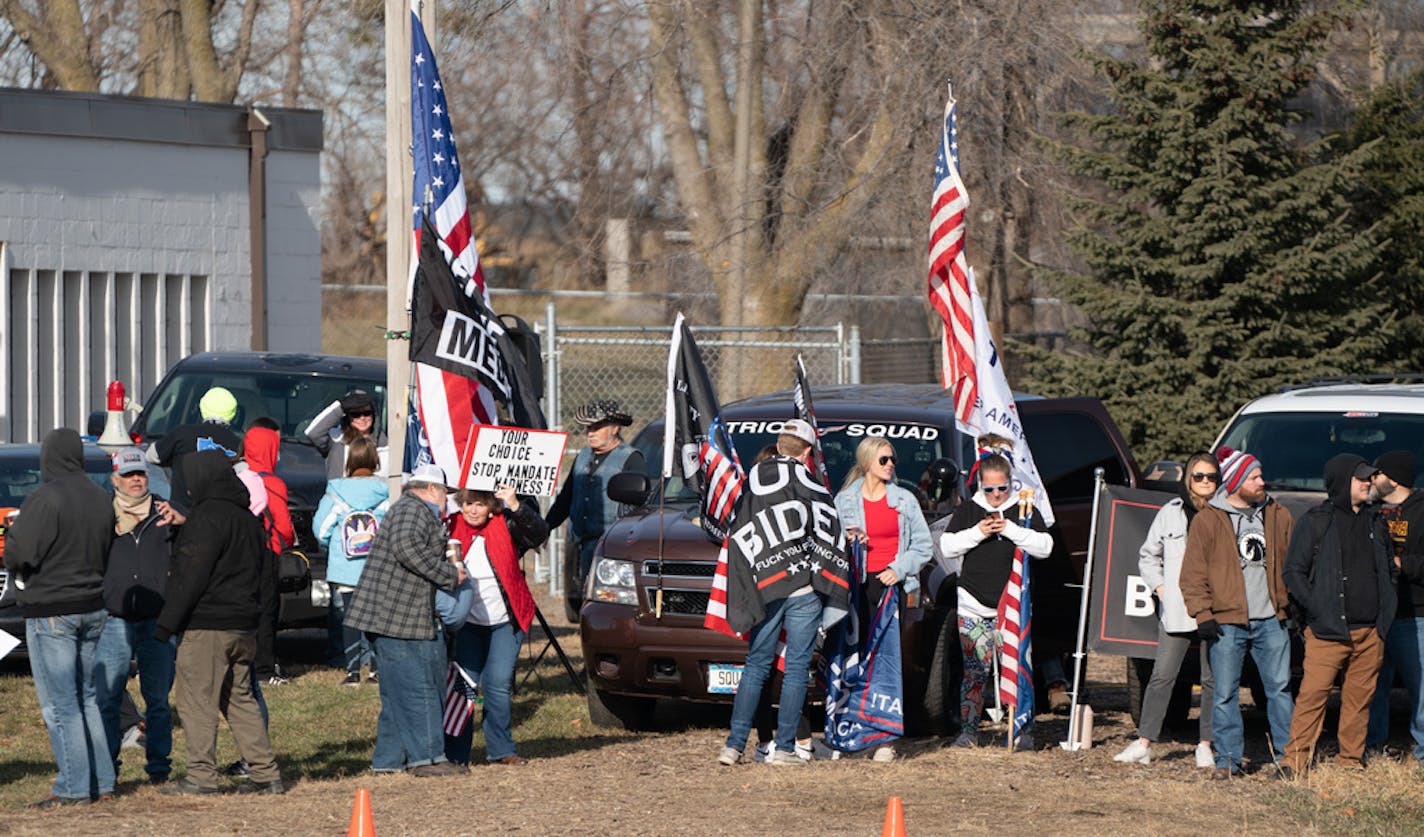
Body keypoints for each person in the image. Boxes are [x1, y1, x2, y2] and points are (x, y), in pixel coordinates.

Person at [718, 419, 851, 767]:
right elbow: (829, 533)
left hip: (764, 583)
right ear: (808, 452)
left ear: (778, 447)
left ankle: (733, 746)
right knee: (794, 669)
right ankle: (786, 748)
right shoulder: (814, 485)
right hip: (803, 586)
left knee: (756, 664)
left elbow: (738, 525)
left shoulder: (754, 480)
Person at [155, 450, 285, 795]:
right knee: (240, 699)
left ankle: (200, 777)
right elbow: (264, 574)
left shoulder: (205, 518)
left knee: (197, 702)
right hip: (243, 626)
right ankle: (265, 773)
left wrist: (166, 624)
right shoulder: (248, 519)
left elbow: (190, 576)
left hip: (207, 626)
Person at [4, 428, 117, 807]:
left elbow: (21, 553)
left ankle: (73, 786)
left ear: (49, 458)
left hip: (53, 609)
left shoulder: (44, 499)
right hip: (93, 605)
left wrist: (12, 533)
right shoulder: (101, 497)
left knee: (60, 703)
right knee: (86, 698)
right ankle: (101, 781)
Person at [342, 464, 468, 776]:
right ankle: (428, 759)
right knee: (419, 688)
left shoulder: (405, 509)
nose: (446, 503)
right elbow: (406, 547)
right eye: (445, 495)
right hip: (401, 620)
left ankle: (388, 762)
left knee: (399, 694)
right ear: (433, 490)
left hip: (392, 619)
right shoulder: (414, 510)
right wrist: (448, 574)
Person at [1179, 447, 1295, 779]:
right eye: (1254, 476)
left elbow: (1294, 564)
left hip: (1272, 620)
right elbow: (1192, 574)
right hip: (1227, 622)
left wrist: (1291, 604)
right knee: (1225, 692)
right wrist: (1203, 614)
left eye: (1260, 475)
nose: (1262, 481)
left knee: (1280, 690)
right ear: (1237, 481)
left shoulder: (1278, 515)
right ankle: (1228, 760)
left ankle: (1288, 758)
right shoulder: (1208, 520)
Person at [1279, 454, 1396, 777]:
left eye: (1370, 478)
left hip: (1371, 632)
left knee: (1359, 701)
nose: (1369, 483)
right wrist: (1317, 608)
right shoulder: (1316, 520)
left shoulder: (1376, 521)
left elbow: (1387, 569)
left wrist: (1385, 613)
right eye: (1361, 478)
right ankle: (1294, 761)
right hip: (1327, 631)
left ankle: (1350, 761)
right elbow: (1293, 572)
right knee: (1312, 696)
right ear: (1344, 482)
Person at [938, 436, 1054, 750]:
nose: (995, 495)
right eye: (989, 489)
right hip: (974, 603)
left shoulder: (1023, 508)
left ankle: (1021, 731)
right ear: (980, 485)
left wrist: (1010, 529)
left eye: (1001, 488)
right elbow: (947, 545)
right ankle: (969, 732)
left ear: (1010, 483)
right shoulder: (970, 509)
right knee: (974, 672)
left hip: (1012, 603)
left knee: (1016, 671)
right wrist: (979, 532)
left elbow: (1045, 546)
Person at [1114, 451, 1219, 768]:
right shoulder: (1170, 512)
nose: (1204, 482)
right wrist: (1160, 588)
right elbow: (1148, 555)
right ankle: (1144, 743)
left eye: (1211, 477)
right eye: (1198, 476)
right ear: (1188, 478)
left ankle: (1205, 745)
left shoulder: (1225, 513)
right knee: (1162, 677)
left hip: (1215, 608)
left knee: (1212, 679)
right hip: (1177, 609)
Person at [834, 435, 932, 761]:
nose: (891, 465)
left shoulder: (904, 500)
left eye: (892, 460)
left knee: (886, 662)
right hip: (856, 586)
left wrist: (899, 568)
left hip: (891, 587)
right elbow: (830, 544)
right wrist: (846, 540)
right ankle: (855, 731)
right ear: (866, 463)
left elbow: (923, 546)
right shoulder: (845, 501)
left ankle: (885, 739)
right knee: (855, 658)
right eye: (884, 460)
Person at [444, 485, 551, 766]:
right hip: (467, 622)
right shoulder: (450, 526)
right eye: (468, 504)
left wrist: (516, 505)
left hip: (506, 619)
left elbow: (539, 534)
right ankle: (456, 753)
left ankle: (501, 749)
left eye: (480, 504)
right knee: (463, 686)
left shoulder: (507, 524)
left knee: (498, 684)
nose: (473, 510)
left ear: (491, 506)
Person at [96, 447, 184, 786]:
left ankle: (159, 768)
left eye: (141, 474)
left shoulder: (165, 512)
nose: (136, 480)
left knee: (158, 700)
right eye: (130, 475)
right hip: (113, 619)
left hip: (157, 619)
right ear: (115, 478)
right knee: (108, 699)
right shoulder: (102, 515)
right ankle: (107, 770)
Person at [314, 436, 390, 685]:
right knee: (377, 619)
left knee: (350, 619)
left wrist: (333, 547)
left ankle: (352, 671)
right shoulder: (387, 491)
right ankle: (376, 670)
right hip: (378, 567)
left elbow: (321, 529)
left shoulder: (336, 491)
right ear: (375, 460)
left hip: (345, 566)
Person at [544, 399, 644, 586]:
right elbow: (566, 498)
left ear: (615, 428)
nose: (590, 433)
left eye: (597, 427)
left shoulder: (630, 458)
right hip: (583, 544)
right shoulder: (582, 456)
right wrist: (546, 526)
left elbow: (640, 505)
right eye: (588, 427)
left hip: (614, 546)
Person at [1367, 450, 1424, 764]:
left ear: (1394, 478)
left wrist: (1402, 564)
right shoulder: (1369, 511)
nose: (1371, 480)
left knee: (1421, 689)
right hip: (1374, 615)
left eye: (1376, 474)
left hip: (1414, 613)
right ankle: (1372, 747)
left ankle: (1422, 754)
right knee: (1373, 685)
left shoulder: (1421, 510)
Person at [244, 417, 294, 686]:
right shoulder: (273, 483)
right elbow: (284, 527)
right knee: (266, 611)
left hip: (240, 555)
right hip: (268, 552)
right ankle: (264, 669)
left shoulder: (238, 476)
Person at [147, 385, 244, 514]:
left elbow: (151, 455)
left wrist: (175, 460)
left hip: (180, 516)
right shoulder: (239, 445)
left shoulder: (182, 433)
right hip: (221, 519)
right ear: (233, 413)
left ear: (201, 408)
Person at [306, 388, 388, 479]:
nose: (362, 418)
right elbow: (312, 433)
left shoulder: (385, 444)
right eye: (355, 414)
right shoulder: (336, 439)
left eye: (367, 413)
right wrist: (341, 406)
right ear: (347, 417)